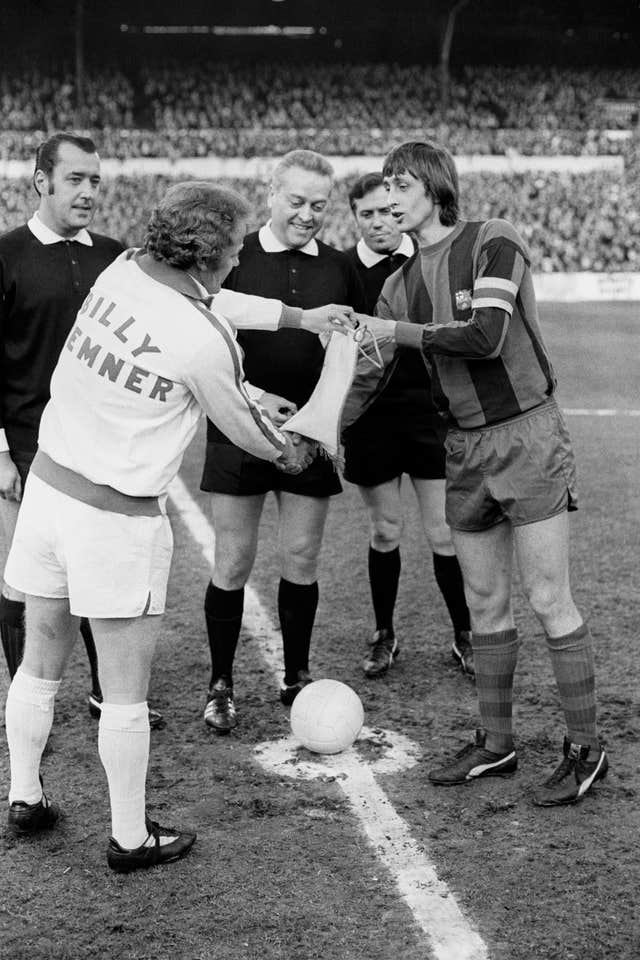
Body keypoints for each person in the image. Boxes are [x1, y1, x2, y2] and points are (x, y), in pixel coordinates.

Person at [3, 181, 348, 871]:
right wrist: (308, 435)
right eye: (237, 246)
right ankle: (130, 838)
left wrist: (301, 318)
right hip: (114, 519)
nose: (243, 253)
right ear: (215, 255)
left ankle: (26, 795)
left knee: (39, 663)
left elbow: (209, 305)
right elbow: (256, 437)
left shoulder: (124, 266)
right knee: (126, 692)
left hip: (46, 492)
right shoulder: (203, 338)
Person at [350, 141, 607, 806]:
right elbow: (366, 375)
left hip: (526, 436)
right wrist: (314, 430)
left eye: (401, 184)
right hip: (460, 449)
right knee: (486, 604)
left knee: (549, 599)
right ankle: (497, 743)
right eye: (385, 186)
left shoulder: (494, 239)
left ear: (435, 186)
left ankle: (585, 747)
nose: (390, 197)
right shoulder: (395, 284)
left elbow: (485, 334)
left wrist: (396, 332)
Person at [0, 133, 168, 725]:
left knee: (105, 574)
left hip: (104, 450)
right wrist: (0, 453)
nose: (89, 192)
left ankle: (105, 691)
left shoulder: (116, 257)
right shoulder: (7, 254)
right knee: (24, 583)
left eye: (95, 181)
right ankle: (28, 701)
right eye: (75, 179)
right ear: (41, 180)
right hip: (25, 446)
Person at [200, 149, 366, 732]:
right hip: (238, 427)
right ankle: (221, 683)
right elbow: (208, 342)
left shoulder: (340, 267)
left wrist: (327, 418)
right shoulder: (233, 258)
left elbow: (353, 353)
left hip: (309, 438)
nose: (306, 215)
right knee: (233, 559)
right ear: (271, 192)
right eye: (296, 201)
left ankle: (296, 675)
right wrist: (249, 396)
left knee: (300, 556)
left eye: (318, 205)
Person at [342, 172, 472, 679]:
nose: (379, 221)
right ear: (353, 216)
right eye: (367, 213)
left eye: (386, 210)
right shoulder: (343, 271)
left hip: (428, 414)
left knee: (443, 531)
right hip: (371, 419)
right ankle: (383, 633)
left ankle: (463, 633)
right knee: (385, 529)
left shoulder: (426, 263)